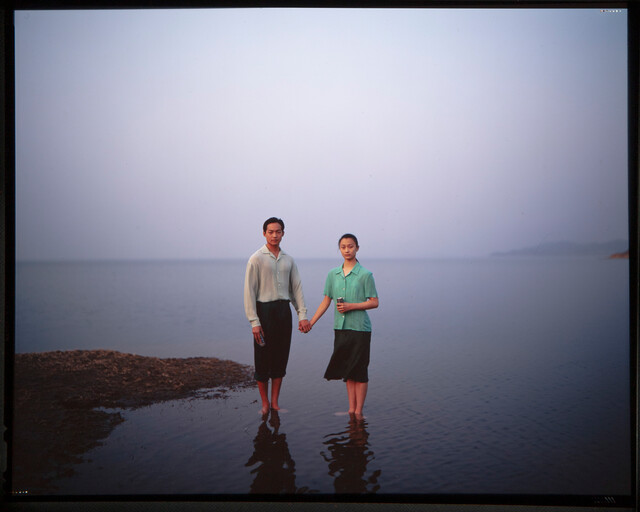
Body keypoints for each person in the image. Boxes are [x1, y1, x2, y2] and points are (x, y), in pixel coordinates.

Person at [244, 217, 311, 415]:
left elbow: (296, 289)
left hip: (283, 312)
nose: (274, 235)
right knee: (262, 358)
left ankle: (275, 403)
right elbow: (249, 292)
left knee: (280, 358)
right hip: (264, 312)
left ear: (283, 233)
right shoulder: (256, 258)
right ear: (264, 233)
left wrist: (302, 315)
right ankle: (264, 404)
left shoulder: (289, 260)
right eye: (271, 232)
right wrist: (254, 322)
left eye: (278, 231)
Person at [309, 234, 378, 418]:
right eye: (343, 247)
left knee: (360, 370)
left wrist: (351, 306)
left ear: (357, 248)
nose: (347, 250)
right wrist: (311, 322)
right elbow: (326, 301)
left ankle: (359, 412)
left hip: (360, 329)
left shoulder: (365, 275)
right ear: (339, 249)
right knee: (348, 369)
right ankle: (351, 409)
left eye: (351, 246)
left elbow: (374, 302)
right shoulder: (333, 274)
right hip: (340, 328)